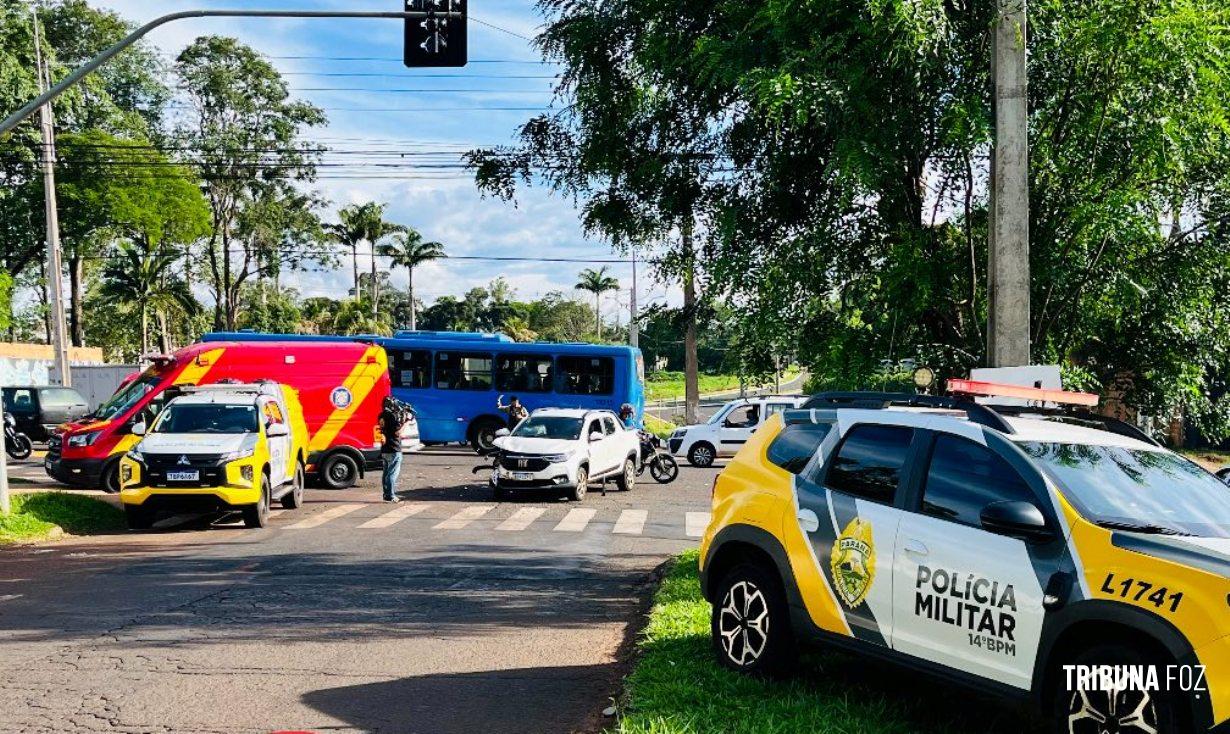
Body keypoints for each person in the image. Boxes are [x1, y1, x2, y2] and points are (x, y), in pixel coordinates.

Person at [377, 396, 410, 503]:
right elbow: (398, 432)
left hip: (385, 449)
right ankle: (391, 495)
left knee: (386, 473)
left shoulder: (381, 415)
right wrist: (407, 422)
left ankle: (386, 494)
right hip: (394, 448)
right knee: (392, 473)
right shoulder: (392, 416)